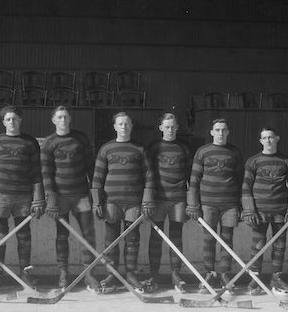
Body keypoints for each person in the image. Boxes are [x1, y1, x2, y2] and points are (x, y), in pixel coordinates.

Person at [0, 106, 45, 292]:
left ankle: (25, 274)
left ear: (20, 120)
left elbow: (36, 172)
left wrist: (38, 198)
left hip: (23, 196)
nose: (12, 122)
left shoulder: (30, 142)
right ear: (3, 122)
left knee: (24, 235)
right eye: (8, 119)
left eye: (15, 119)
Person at [91, 111, 156, 293]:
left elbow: (149, 175)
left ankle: (130, 274)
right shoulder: (106, 149)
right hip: (112, 201)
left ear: (131, 126)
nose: (124, 127)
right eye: (120, 124)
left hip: (134, 202)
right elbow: (97, 176)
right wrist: (97, 201)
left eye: (127, 124)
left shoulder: (140, 149)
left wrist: (147, 200)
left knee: (133, 240)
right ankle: (112, 275)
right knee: (110, 240)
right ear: (114, 127)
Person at [40, 106, 101, 292]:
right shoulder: (49, 143)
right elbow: (46, 173)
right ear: (53, 120)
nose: (63, 120)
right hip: (60, 197)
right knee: (62, 236)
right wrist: (51, 198)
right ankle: (63, 273)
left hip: (81, 195)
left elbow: (91, 169)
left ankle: (89, 274)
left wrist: (96, 196)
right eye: (59, 117)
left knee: (88, 235)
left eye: (66, 117)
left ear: (70, 118)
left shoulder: (80, 139)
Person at [241, 127, 288, 296]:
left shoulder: (286, 161)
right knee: (258, 246)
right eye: (264, 138)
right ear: (260, 141)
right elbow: (246, 186)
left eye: (270, 137)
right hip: (259, 213)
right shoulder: (253, 161)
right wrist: (249, 210)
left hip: (281, 212)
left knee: (279, 246)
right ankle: (255, 279)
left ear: (277, 138)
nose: (268, 140)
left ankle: (276, 278)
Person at [187, 118, 244, 293]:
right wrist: (193, 204)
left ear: (228, 132)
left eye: (223, 130)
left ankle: (226, 275)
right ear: (211, 132)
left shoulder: (234, 152)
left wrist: (241, 205)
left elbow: (241, 180)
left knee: (227, 240)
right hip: (208, 204)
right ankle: (209, 274)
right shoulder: (202, 152)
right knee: (208, 240)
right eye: (217, 130)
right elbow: (194, 180)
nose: (220, 133)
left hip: (230, 205)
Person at [146, 112, 193, 293]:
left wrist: (190, 200)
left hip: (178, 199)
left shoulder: (185, 147)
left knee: (176, 237)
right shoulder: (154, 147)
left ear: (178, 127)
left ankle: (175, 273)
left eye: (173, 126)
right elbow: (148, 173)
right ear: (161, 128)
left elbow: (190, 174)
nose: (170, 130)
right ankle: (153, 273)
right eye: (167, 127)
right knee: (156, 238)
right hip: (158, 198)